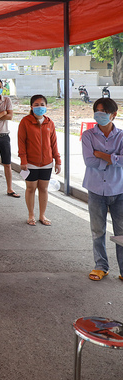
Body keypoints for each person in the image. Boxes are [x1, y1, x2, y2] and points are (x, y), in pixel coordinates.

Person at [81, 98, 123, 282]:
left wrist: (102, 155)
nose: (100, 114)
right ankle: (101, 266)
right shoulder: (88, 135)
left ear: (113, 115)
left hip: (119, 189)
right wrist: (115, 158)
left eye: (104, 111)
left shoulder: (121, 136)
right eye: (97, 111)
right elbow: (89, 161)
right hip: (96, 189)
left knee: (121, 234)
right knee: (98, 231)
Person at [18, 94, 61, 226]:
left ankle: (42, 215)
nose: (39, 107)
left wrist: (57, 160)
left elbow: (54, 143)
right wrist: (23, 160)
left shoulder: (50, 123)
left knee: (43, 189)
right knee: (30, 188)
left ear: (46, 106)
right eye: (36, 105)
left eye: (42, 105)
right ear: (31, 107)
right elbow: (21, 142)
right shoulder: (25, 121)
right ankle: (31, 215)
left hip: (47, 162)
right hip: (31, 162)